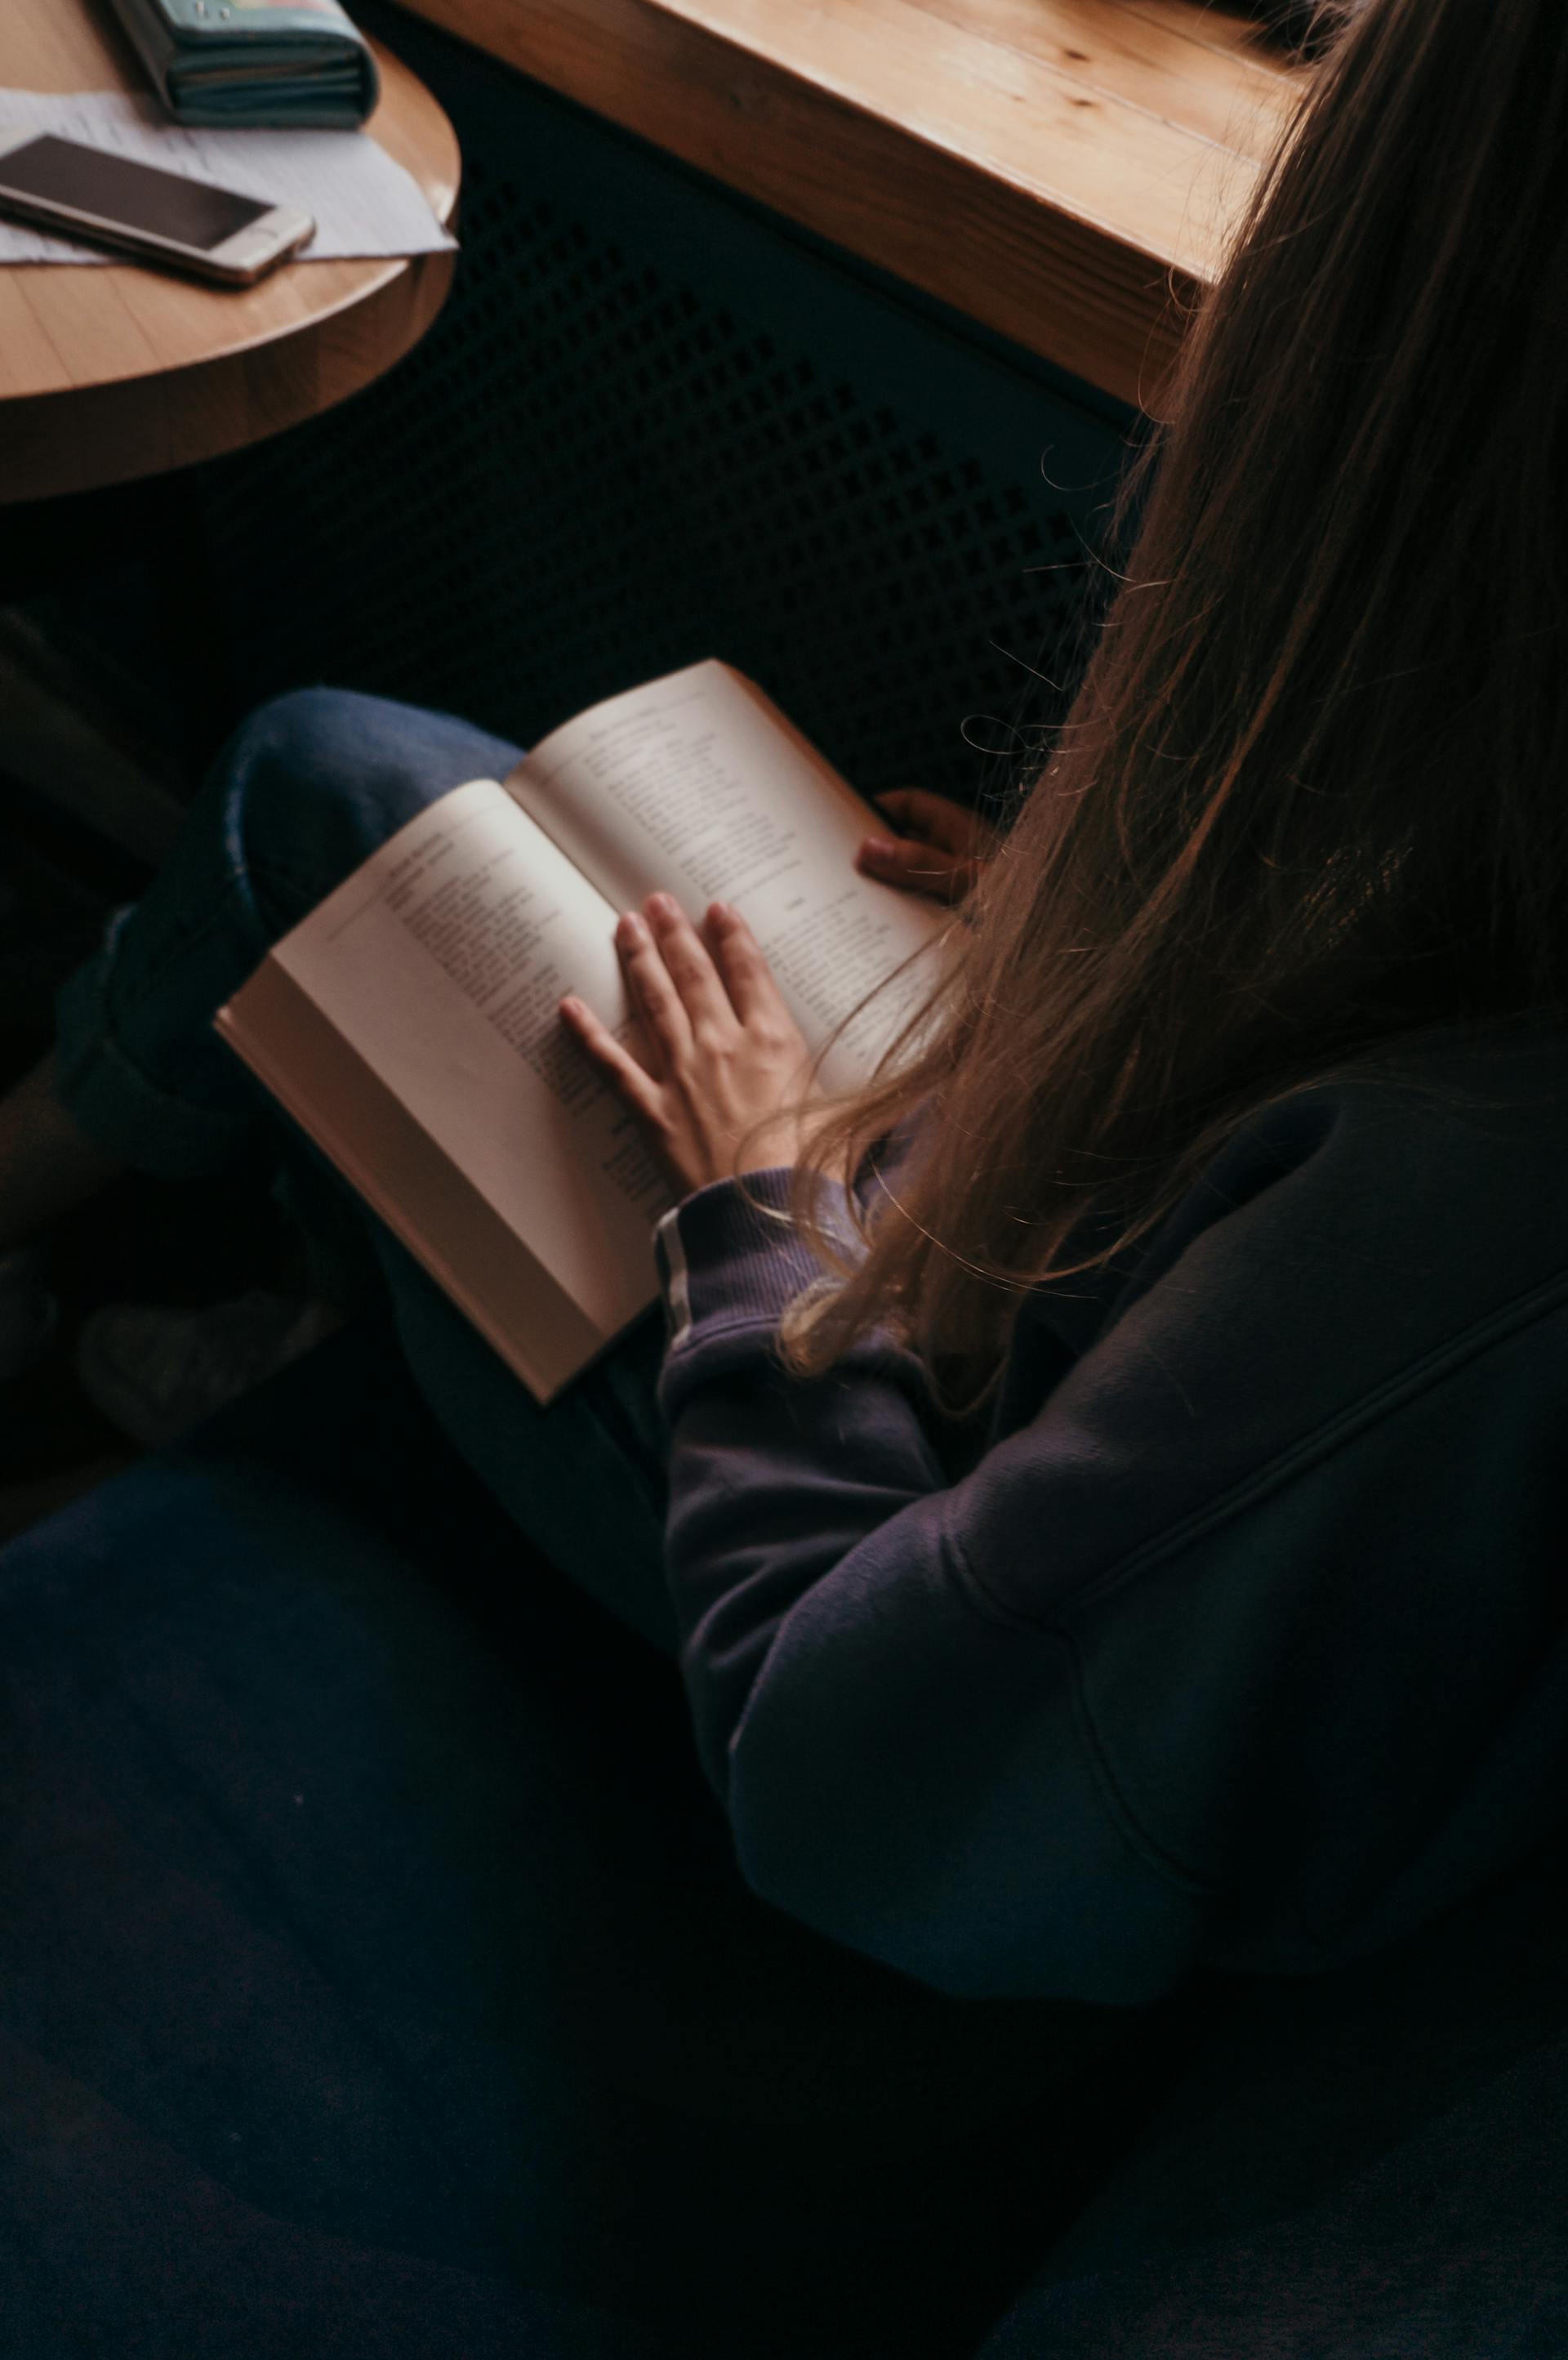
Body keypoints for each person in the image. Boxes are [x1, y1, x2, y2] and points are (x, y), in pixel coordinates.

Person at [2, 0, 1566, 2189]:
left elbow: (852, 1757)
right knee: (372, 790)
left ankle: (86, 1205)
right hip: (973, 1300)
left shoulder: (1467, 1223)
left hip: (838, 1470)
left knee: (310, 806)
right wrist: (1063, 931)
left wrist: (750, 1204)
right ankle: (248, 1211)